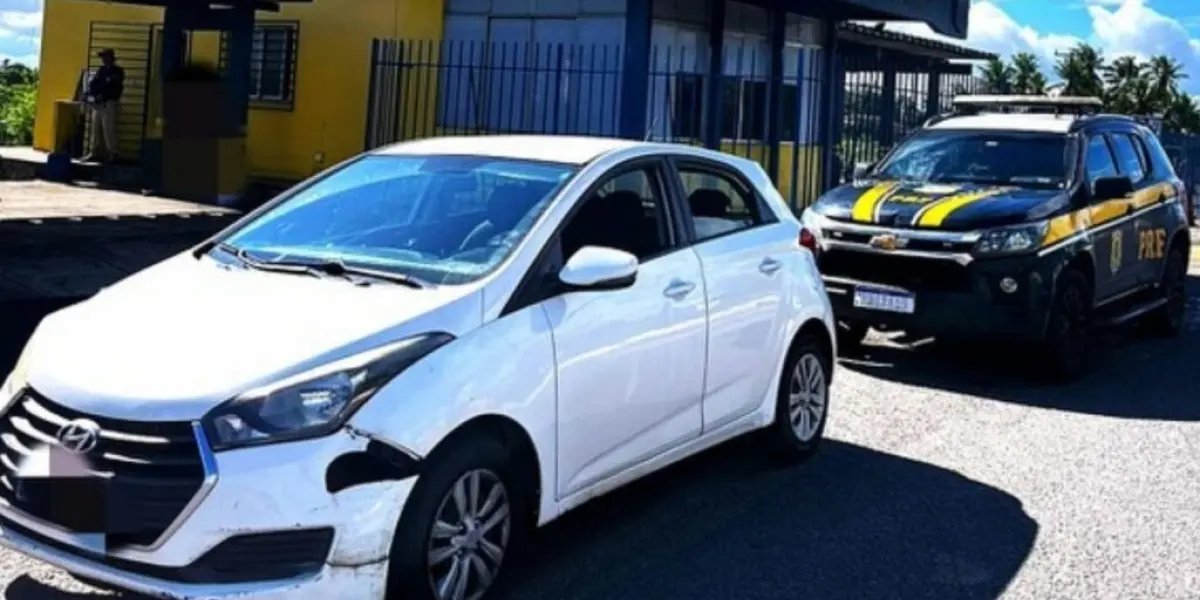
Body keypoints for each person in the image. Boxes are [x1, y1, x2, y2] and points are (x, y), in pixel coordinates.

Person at [82, 48, 124, 163]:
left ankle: (113, 153)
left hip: (109, 103)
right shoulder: (101, 70)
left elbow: (114, 87)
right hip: (98, 103)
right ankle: (94, 152)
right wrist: (94, 94)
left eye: (105, 57)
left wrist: (102, 93)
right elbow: (93, 84)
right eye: (103, 57)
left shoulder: (117, 71)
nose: (103, 59)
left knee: (109, 129)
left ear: (111, 58)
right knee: (95, 129)